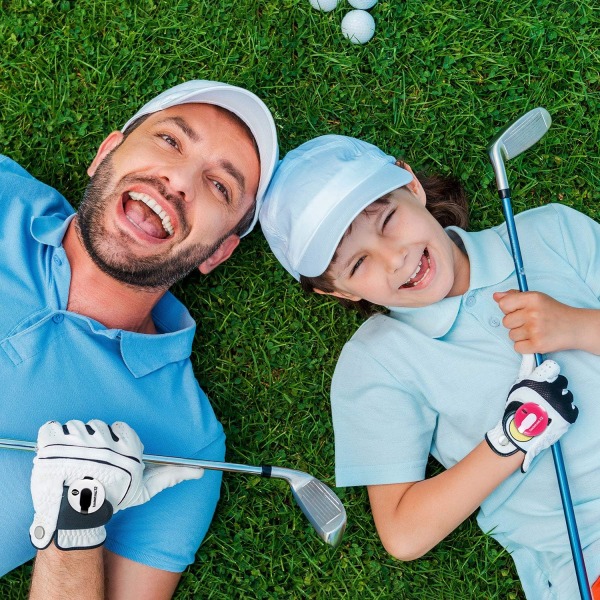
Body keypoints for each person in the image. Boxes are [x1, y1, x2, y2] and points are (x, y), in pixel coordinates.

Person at [259, 134, 600, 599]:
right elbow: (403, 533)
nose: (395, 259)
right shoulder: (375, 361)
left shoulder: (550, 231)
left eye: (388, 220)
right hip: (585, 556)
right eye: (359, 264)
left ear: (411, 184)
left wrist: (577, 327)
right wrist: (514, 437)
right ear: (337, 291)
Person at [0, 79, 279, 599]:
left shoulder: (184, 445)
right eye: (171, 140)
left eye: (221, 187)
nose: (178, 181)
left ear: (217, 253)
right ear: (106, 152)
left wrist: (74, 531)